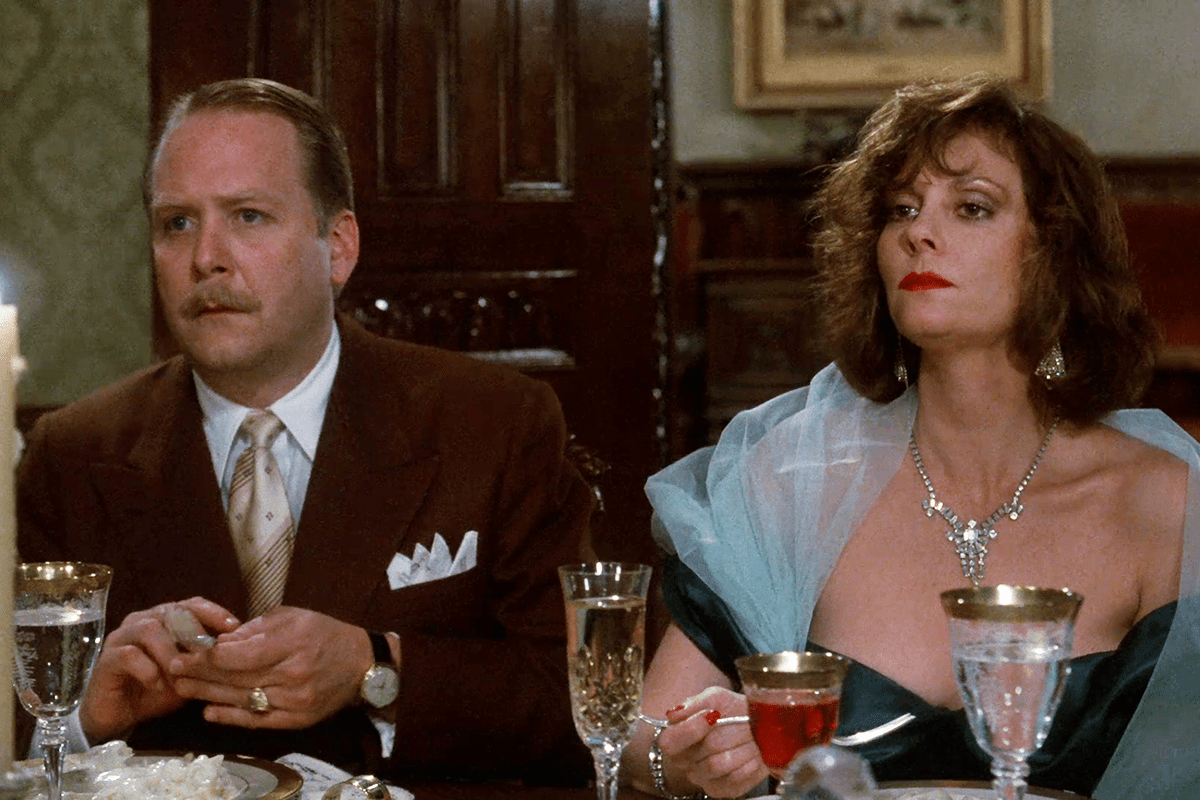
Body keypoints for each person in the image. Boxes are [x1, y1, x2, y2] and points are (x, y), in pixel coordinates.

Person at [626, 75, 1200, 800]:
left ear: (1054, 254)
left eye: (972, 207)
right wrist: (682, 759)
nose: (917, 233)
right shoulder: (792, 483)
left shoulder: (1165, 505)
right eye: (901, 209)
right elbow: (635, 741)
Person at [17, 77, 594, 784]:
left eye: (249, 216)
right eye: (177, 223)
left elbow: (579, 706)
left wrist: (374, 667)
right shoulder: (73, 452)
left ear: (339, 247)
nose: (207, 258)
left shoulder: (495, 423)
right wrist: (84, 715)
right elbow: (17, 726)